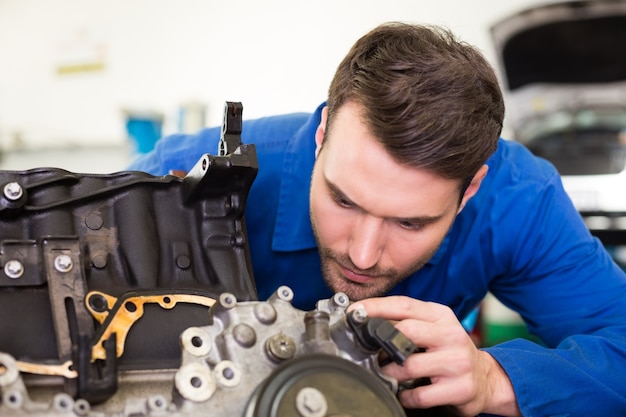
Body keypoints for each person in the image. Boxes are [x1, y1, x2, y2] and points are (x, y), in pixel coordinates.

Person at [128, 22, 626, 416]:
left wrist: (494, 380)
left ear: (470, 189)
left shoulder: (518, 199)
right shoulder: (184, 174)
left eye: (409, 223)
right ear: (322, 135)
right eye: (343, 200)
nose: (362, 255)